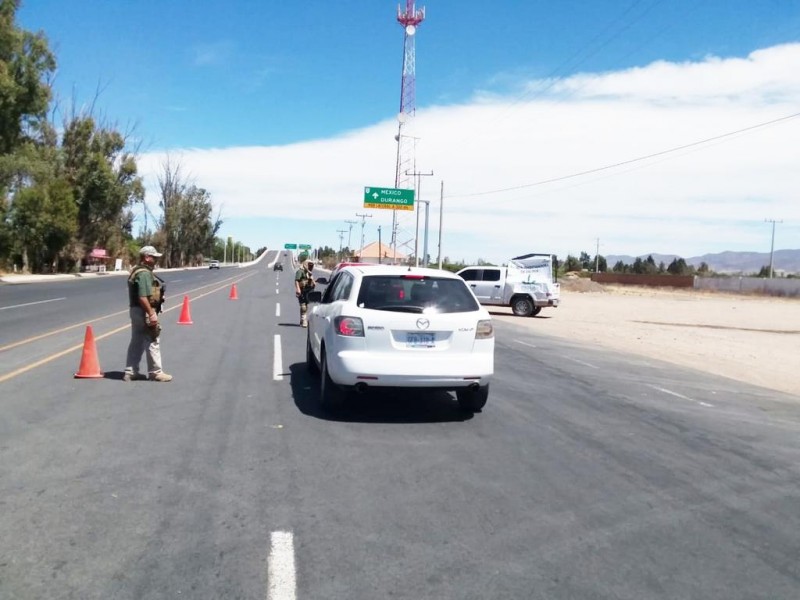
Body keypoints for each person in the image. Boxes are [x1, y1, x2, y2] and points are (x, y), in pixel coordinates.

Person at [123, 245, 173, 382]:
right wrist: (151, 313)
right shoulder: (144, 273)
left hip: (135, 310)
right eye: (154, 257)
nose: (156, 259)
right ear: (146, 257)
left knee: (137, 340)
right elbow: (143, 297)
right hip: (143, 310)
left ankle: (130, 371)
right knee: (153, 339)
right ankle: (155, 372)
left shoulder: (136, 271)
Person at [294, 257, 316, 327]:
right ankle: (304, 321)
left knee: (305, 306)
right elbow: (297, 280)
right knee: (303, 306)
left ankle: (302, 319)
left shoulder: (309, 273)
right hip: (302, 290)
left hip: (308, 291)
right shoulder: (300, 271)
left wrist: (313, 282)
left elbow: (313, 282)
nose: (310, 267)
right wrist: (298, 289)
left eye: (311, 266)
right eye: (309, 265)